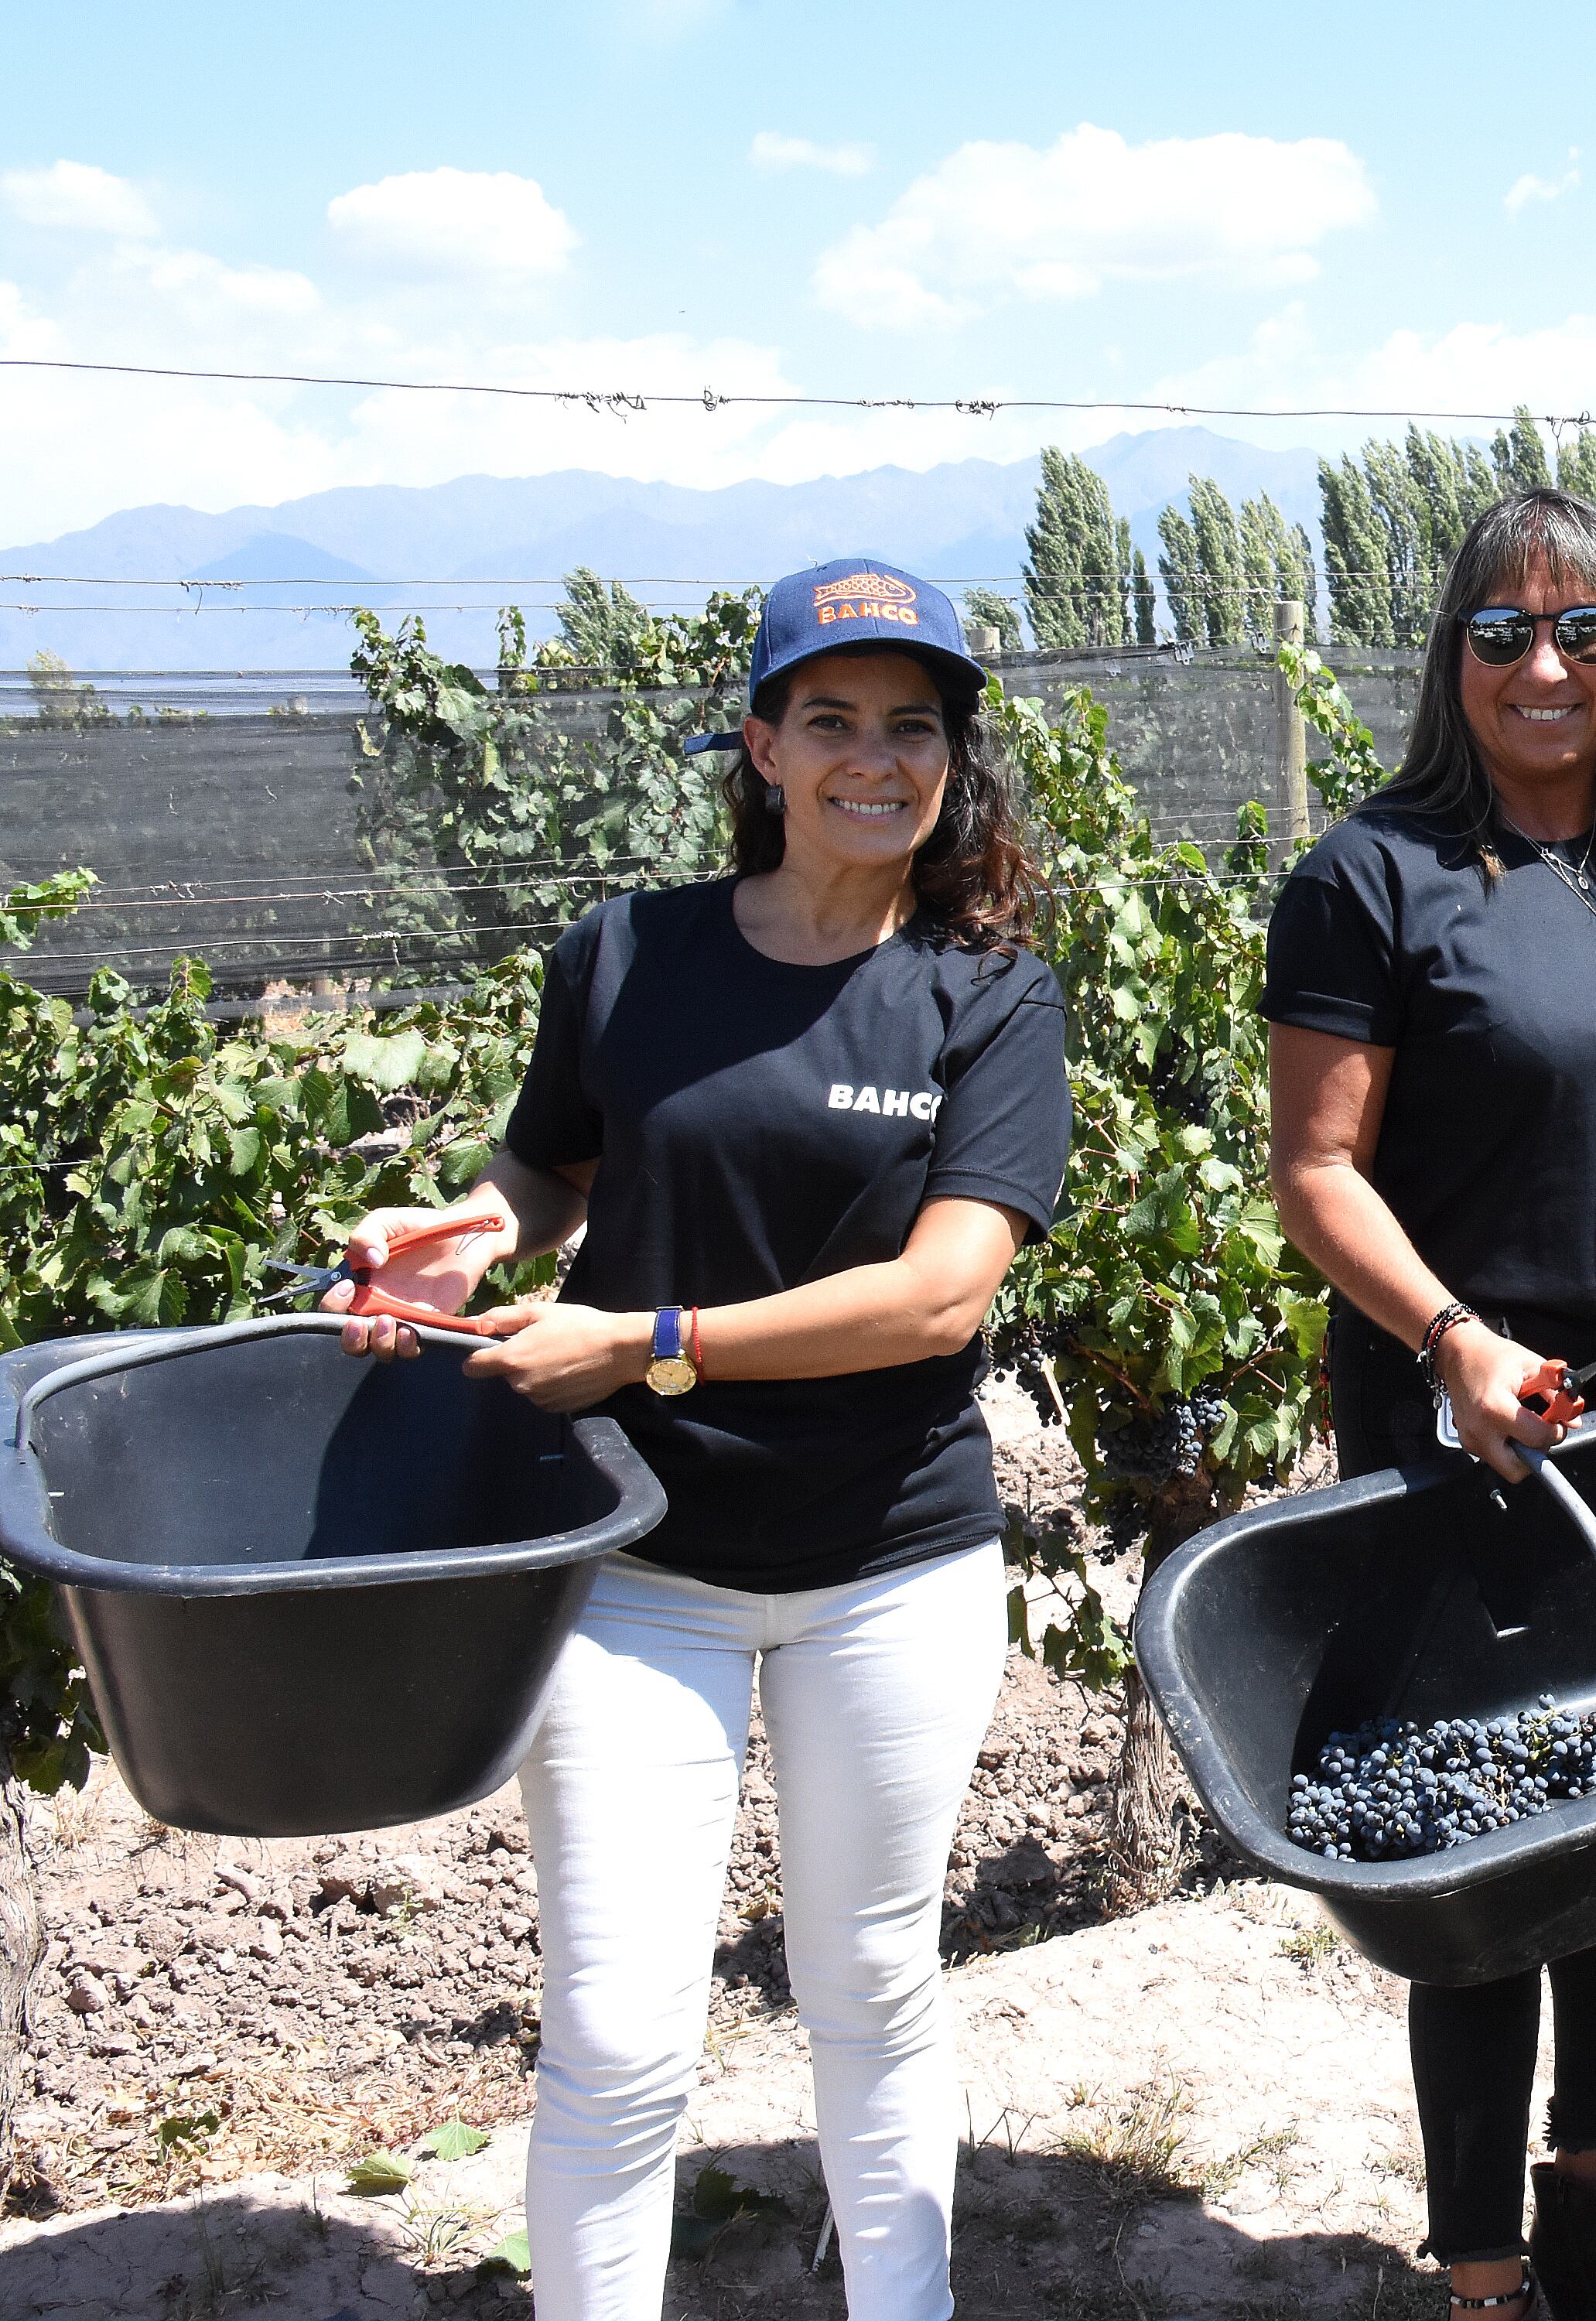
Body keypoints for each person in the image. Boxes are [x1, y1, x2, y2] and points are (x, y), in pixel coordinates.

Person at [328, 559, 1070, 2321]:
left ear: (952, 765)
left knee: (872, 1985)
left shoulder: (988, 996)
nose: (873, 762)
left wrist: (648, 1343)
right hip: (640, 1569)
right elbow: (550, 1164)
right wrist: (469, 1227)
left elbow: (940, 1298)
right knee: (612, 2029)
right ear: (760, 745)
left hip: (889, 1567)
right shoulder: (630, 954)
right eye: (831, 722)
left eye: (913, 729)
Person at [1263, 487, 1596, 2321]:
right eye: (1504, 633)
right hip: (1459, 1424)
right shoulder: (1374, 873)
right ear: (1452, 659)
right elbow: (1318, 1171)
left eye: (1586, 632)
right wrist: (1450, 1342)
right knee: (1479, 1834)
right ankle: (1482, 2274)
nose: (1547, 667)